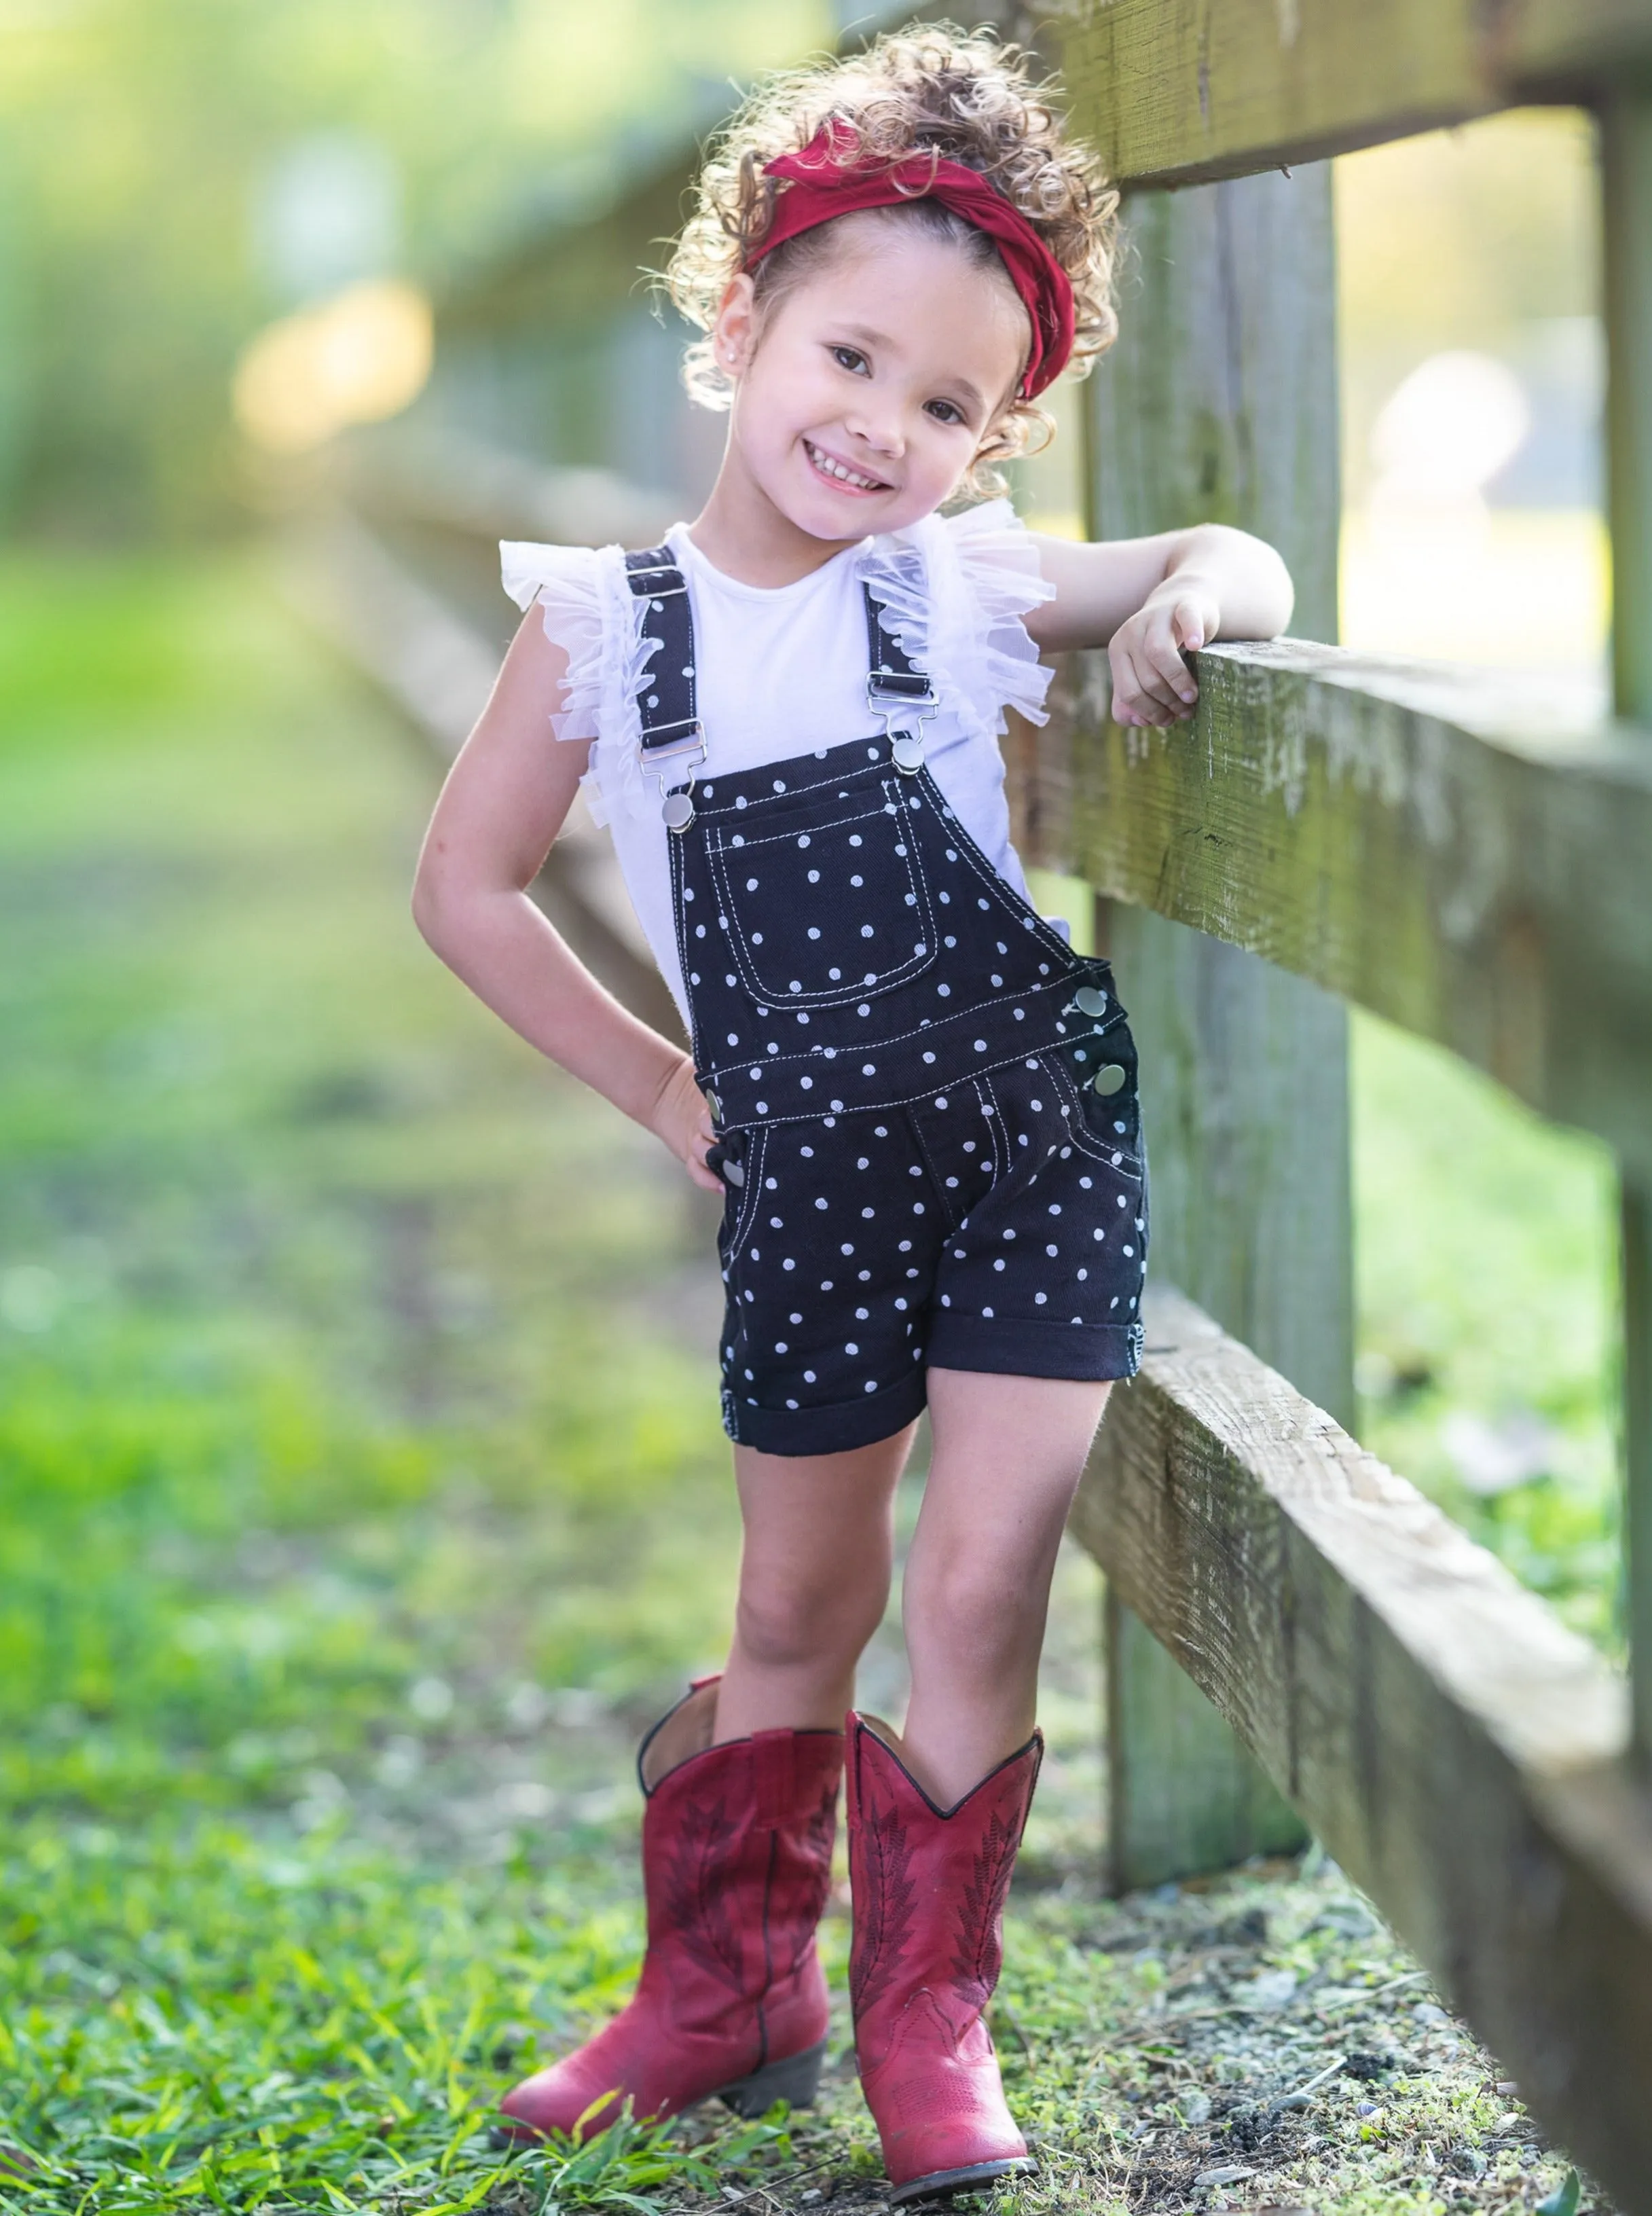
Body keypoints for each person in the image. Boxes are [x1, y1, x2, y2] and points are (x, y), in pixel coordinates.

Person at [413, 24, 1292, 2205]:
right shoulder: (611, 628)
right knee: (797, 1605)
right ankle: (728, 1988)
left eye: (944, 406)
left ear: (990, 446)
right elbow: (465, 884)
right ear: (742, 325)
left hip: (1026, 1142)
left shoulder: (955, 592)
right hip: (803, 1168)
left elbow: (1228, 543)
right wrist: (654, 1079)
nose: (880, 428)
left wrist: (1196, 596)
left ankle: (929, 2012)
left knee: (982, 1581)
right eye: (851, 358)